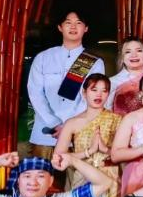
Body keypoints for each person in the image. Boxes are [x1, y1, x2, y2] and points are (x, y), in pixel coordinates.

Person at [27, 9, 106, 159]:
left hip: (78, 132)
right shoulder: (43, 58)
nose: (73, 27)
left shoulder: (94, 62)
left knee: (75, 173)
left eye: (78, 23)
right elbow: (35, 92)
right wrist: (54, 123)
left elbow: (92, 97)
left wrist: (69, 125)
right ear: (60, 27)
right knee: (41, 171)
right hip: (46, 130)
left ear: (86, 28)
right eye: (68, 23)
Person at [107, 36, 143, 115]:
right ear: (122, 57)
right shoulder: (112, 82)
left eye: (139, 51)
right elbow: (107, 111)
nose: (134, 55)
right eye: (128, 52)